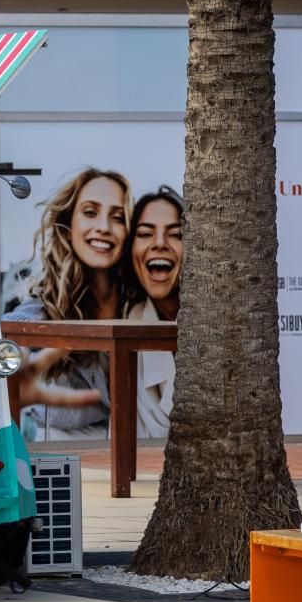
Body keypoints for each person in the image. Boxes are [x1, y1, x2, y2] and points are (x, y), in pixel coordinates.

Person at [3, 168, 133, 439]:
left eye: (118, 217)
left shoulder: (140, 305)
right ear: (68, 224)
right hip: (63, 452)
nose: (103, 227)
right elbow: (7, 336)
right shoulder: (45, 304)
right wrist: (9, 372)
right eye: (89, 212)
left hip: (142, 452)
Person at [123, 187, 183, 438]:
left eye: (176, 234)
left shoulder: (220, 323)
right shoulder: (126, 322)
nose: (159, 244)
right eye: (146, 234)